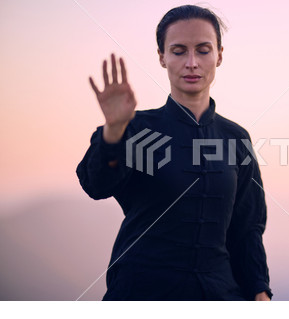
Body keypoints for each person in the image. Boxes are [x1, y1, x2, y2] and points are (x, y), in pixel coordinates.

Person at [76, 4, 272, 301]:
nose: (191, 62)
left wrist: (260, 293)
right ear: (162, 57)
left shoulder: (236, 138)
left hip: (219, 296)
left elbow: (247, 229)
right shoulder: (136, 128)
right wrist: (114, 130)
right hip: (140, 293)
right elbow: (96, 185)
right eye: (179, 51)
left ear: (219, 55)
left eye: (203, 50)